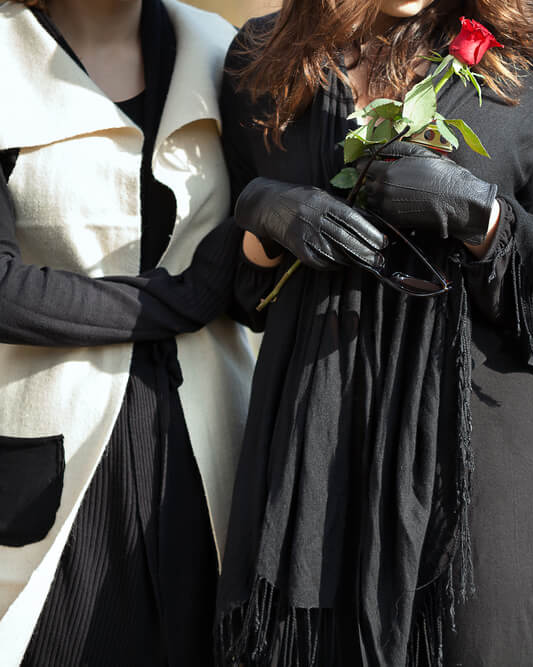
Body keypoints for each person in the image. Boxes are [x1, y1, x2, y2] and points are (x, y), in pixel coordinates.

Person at [215, 1, 533, 665]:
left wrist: (480, 215)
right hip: (319, 462)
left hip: (483, 464)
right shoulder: (262, 56)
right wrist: (265, 216)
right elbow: (235, 284)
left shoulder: (521, 46)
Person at [0, 0, 295, 663]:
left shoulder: (224, 52)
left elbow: (255, 288)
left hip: (207, 459)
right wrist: (184, 298)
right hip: (51, 471)